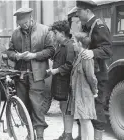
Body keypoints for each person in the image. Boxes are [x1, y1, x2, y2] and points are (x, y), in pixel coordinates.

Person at [7, 7, 55, 140]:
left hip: (37, 75)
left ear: (31, 19)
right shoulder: (15, 33)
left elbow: (51, 51)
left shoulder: (44, 30)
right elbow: (9, 52)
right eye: (20, 24)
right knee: (23, 105)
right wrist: (17, 56)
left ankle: (39, 136)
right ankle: (30, 132)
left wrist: (34, 55)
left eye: (25, 23)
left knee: (37, 105)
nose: (23, 26)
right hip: (21, 75)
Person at [74, 0, 113, 139]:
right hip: (86, 74)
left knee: (97, 109)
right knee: (84, 109)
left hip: (97, 74)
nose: (77, 14)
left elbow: (108, 50)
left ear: (87, 11)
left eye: (79, 11)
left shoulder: (99, 25)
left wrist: (93, 53)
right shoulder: (86, 26)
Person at [47, 20, 76, 140]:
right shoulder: (61, 45)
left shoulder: (69, 45)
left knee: (67, 109)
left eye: (56, 33)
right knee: (63, 107)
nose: (54, 35)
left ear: (63, 33)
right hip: (61, 83)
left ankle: (68, 135)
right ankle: (66, 133)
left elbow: (70, 65)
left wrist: (56, 70)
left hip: (67, 83)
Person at [70, 32, 98, 140]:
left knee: (86, 120)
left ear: (80, 43)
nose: (73, 44)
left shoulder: (86, 57)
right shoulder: (79, 56)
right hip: (80, 93)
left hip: (85, 94)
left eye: (74, 42)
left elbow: (91, 76)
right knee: (83, 120)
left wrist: (95, 91)